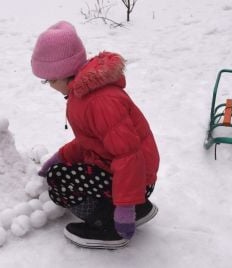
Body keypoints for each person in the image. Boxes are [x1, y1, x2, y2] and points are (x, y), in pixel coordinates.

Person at [31, 21, 160, 249]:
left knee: (61, 181)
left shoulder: (100, 102)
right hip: (126, 172)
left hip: (136, 175)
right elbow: (91, 140)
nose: (50, 86)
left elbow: (127, 155)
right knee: (59, 170)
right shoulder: (84, 93)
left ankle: (111, 226)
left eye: (51, 80)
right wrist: (60, 157)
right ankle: (137, 206)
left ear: (64, 73)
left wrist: (124, 209)